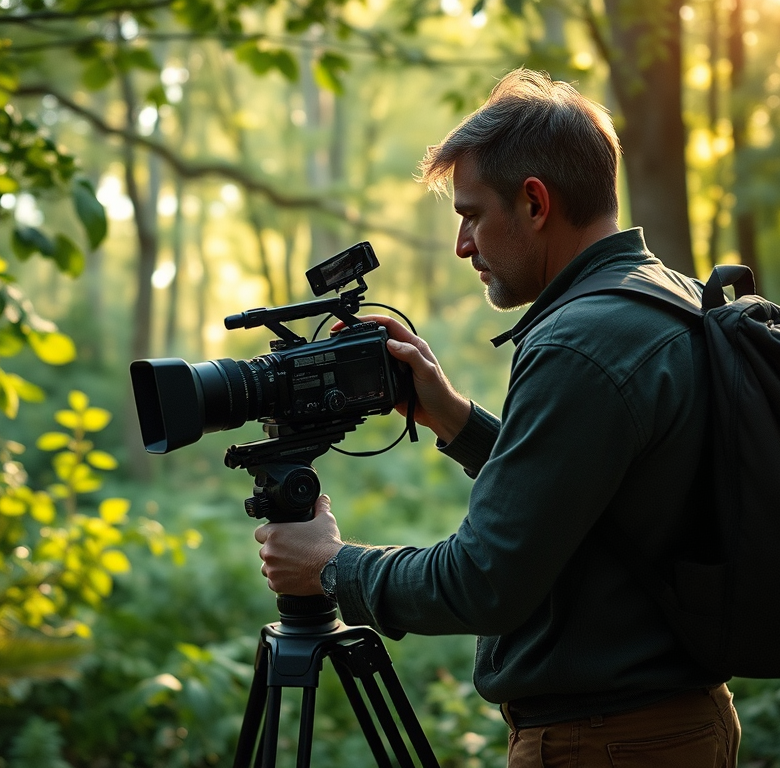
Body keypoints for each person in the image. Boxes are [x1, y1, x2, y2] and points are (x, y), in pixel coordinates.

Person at [253, 69, 741, 766]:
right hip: (665, 724)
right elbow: (593, 499)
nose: (462, 245)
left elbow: (484, 580)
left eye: (472, 214)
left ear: (535, 202)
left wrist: (332, 568)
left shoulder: (580, 343)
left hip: (607, 742)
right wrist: (451, 416)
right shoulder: (668, 298)